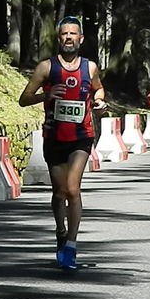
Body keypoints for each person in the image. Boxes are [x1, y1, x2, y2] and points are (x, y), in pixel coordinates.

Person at [18, 16, 107, 270]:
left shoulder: (89, 68)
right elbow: (23, 99)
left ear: (81, 39)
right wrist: (46, 94)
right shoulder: (47, 67)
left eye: (73, 34)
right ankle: (60, 231)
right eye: (64, 34)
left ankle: (71, 244)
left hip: (81, 136)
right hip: (55, 136)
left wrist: (100, 102)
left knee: (72, 189)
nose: (68, 38)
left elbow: (98, 90)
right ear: (59, 39)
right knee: (58, 193)